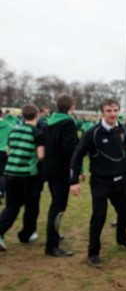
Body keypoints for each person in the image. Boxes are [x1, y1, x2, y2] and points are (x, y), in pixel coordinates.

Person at [70, 99, 126, 268]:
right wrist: (73, 180)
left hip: (120, 181)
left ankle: (122, 238)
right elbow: (77, 155)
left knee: (125, 212)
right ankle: (93, 253)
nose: (113, 114)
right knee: (99, 216)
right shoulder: (93, 133)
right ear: (102, 112)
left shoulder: (121, 128)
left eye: (116, 110)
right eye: (109, 110)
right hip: (100, 182)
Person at [0, 104, 44, 251]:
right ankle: (26, 234)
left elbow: (8, 151)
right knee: (32, 206)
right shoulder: (37, 133)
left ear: (23, 116)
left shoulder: (13, 131)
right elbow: (40, 155)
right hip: (27, 175)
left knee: (12, 206)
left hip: (10, 173)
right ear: (37, 115)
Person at [42, 94, 79, 257]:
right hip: (61, 171)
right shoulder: (68, 122)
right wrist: (76, 172)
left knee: (55, 205)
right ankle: (52, 246)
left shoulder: (49, 121)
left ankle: (54, 235)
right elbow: (71, 149)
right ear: (71, 107)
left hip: (49, 169)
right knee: (58, 207)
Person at [0, 109, 16, 204]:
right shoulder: (10, 126)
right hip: (6, 151)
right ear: (2, 114)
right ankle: (1, 191)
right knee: (3, 173)